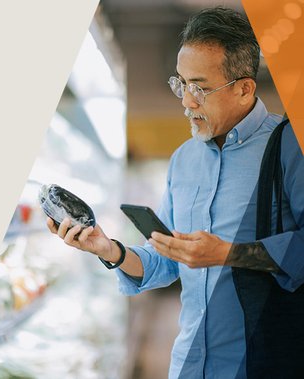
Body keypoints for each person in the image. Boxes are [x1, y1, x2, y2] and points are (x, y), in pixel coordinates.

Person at [47, 7, 304, 379]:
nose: (186, 101)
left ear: (244, 88)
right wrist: (108, 249)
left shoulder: (289, 147)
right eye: (180, 84)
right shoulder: (184, 159)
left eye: (199, 87)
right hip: (188, 364)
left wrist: (226, 254)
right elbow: (165, 261)